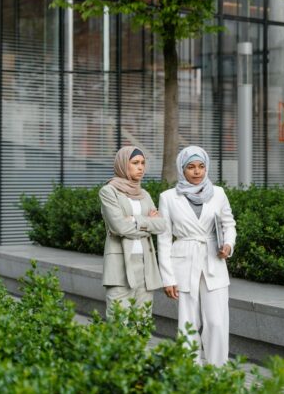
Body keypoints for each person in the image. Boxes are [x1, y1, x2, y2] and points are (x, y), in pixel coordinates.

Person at [157, 145, 237, 366]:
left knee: (217, 322)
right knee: (188, 323)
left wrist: (228, 245)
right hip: (183, 261)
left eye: (201, 166)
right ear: (182, 169)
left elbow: (229, 224)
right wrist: (168, 278)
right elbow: (163, 239)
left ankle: (217, 373)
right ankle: (190, 375)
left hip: (214, 261)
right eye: (191, 167)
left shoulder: (218, 193)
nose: (197, 171)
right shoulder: (168, 197)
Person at [99, 146, 166, 318]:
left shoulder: (144, 194)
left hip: (146, 267)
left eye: (143, 163)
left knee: (142, 324)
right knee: (119, 326)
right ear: (123, 164)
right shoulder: (109, 191)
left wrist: (135, 220)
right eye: (135, 163)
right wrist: (147, 222)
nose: (141, 167)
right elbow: (119, 227)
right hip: (120, 266)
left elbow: (161, 225)